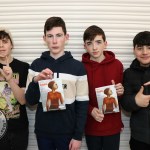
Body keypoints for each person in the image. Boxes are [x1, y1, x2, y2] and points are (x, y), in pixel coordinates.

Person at [25, 16, 89, 150]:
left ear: (66, 37)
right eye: (50, 36)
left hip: (68, 134)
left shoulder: (78, 67)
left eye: (59, 35)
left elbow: (82, 105)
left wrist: (78, 136)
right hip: (43, 133)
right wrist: (36, 81)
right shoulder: (36, 65)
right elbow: (30, 101)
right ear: (44, 38)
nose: (54, 41)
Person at [82, 25, 124, 150]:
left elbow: (122, 97)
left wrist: (121, 91)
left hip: (112, 126)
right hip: (91, 126)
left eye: (98, 42)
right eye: (89, 43)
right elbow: (77, 97)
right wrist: (90, 110)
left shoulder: (117, 65)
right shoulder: (80, 67)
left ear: (105, 44)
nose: (94, 47)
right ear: (85, 46)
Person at [0, 28, 29, 150]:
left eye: (5, 41)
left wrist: (10, 79)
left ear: (11, 45)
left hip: (19, 129)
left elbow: (23, 100)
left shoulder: (23, 67)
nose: (1, 46)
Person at [120, 31, 150, 150]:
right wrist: (136, 101)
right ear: (134, 50)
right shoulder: (128, 73)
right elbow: (125, 103)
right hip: (139, 138)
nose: (145, 52)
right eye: (140, 48)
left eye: (149, 47)